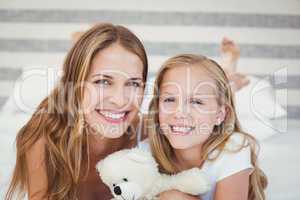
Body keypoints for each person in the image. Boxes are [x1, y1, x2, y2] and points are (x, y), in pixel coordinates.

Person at [5, 23, 148, 200]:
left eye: (134, 83)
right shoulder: (45, 135)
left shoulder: (147, 132)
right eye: (103, 81)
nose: (120, 101)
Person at [144, 54, 267, 200]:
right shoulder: (143, 150)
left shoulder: (234, 147)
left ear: (220, 115)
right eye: (169, 99)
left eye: (196, 102)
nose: (179, 113)